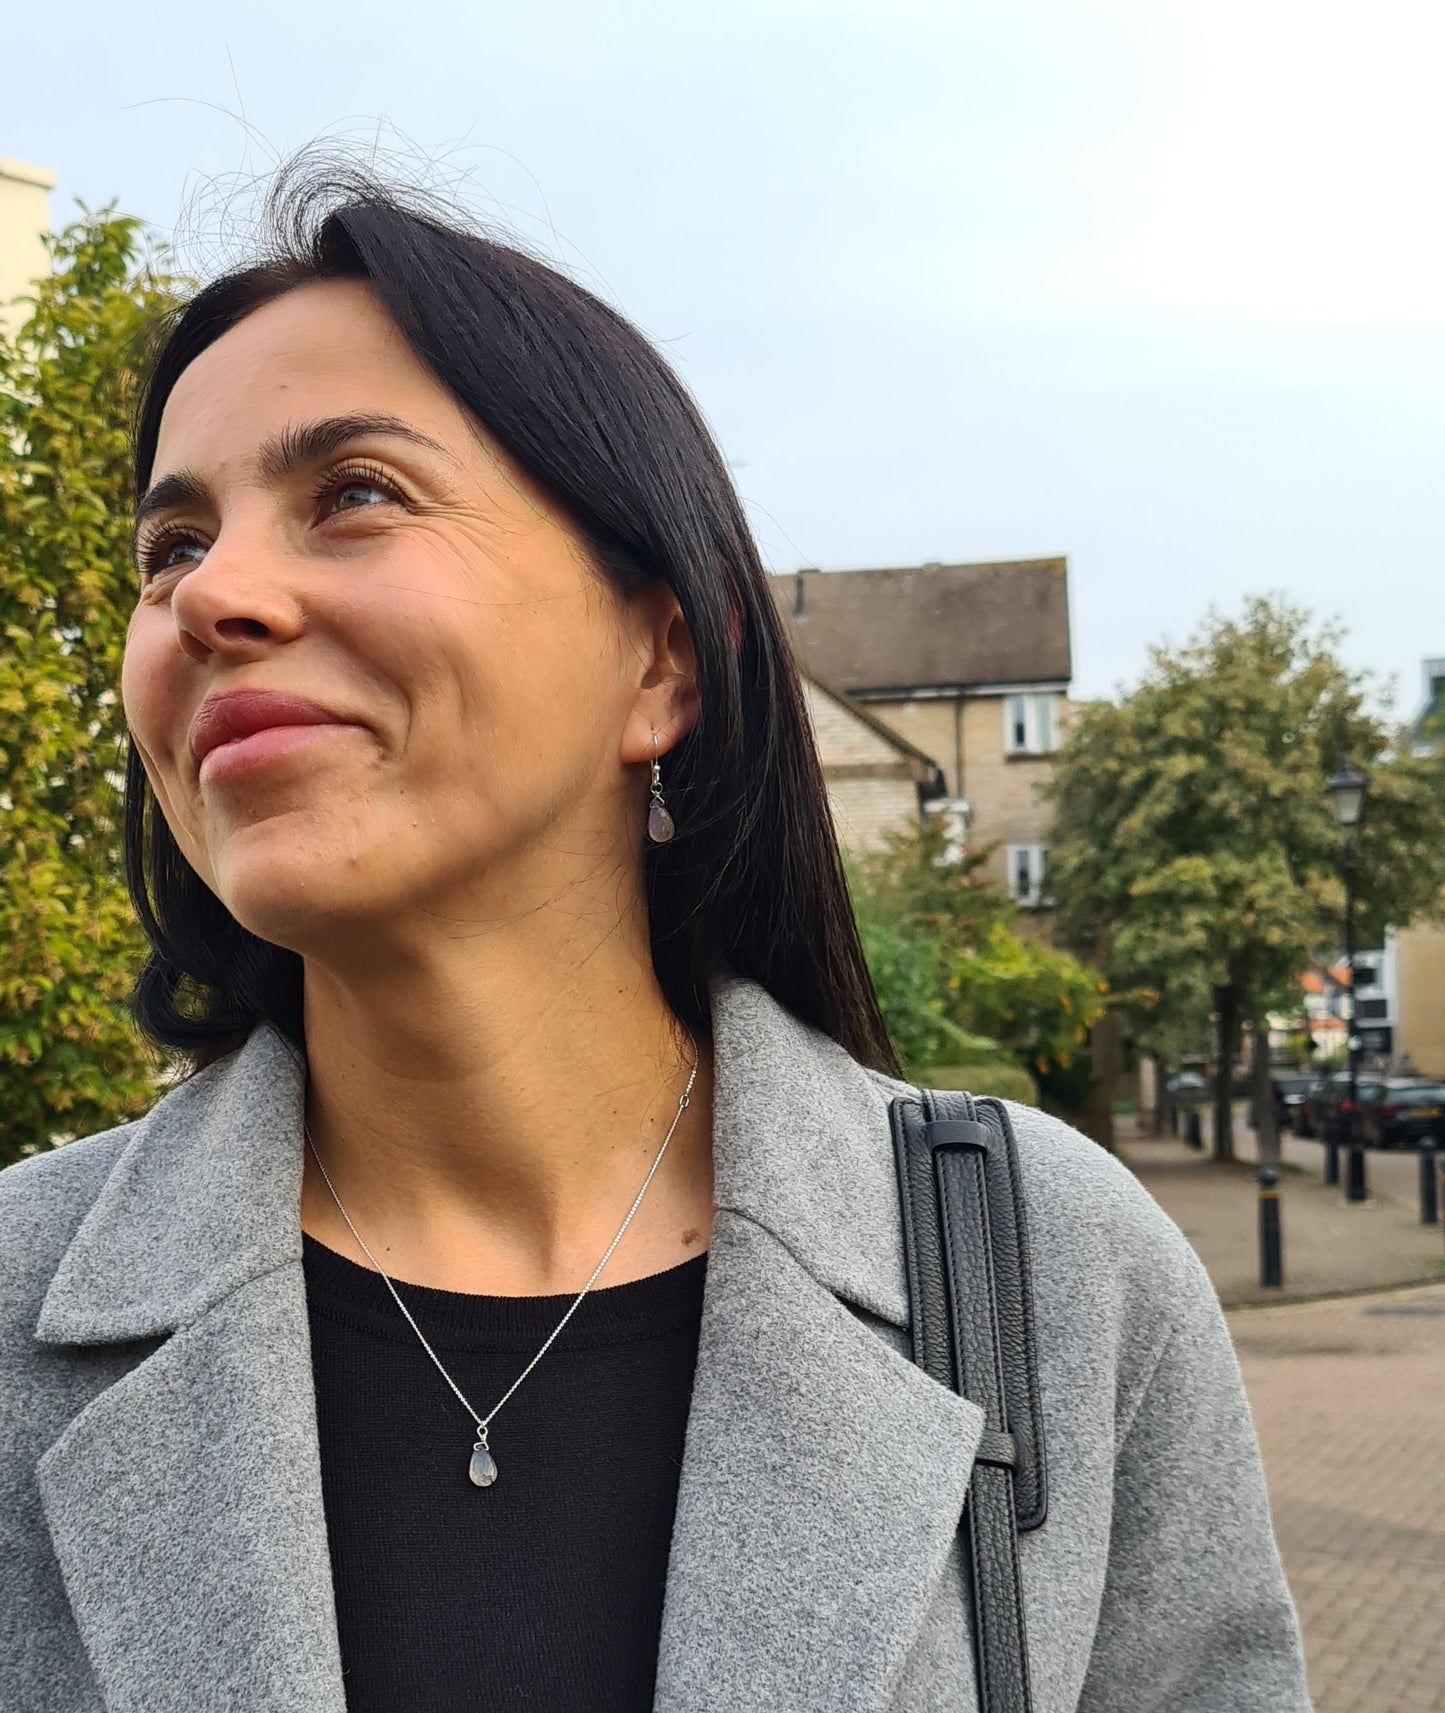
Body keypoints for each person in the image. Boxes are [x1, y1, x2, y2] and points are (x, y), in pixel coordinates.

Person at [0, 173, 1312, 1712]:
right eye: (169, 545)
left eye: (354, 491)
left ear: (661, 660)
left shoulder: (1048, 1278)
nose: (207, 594)